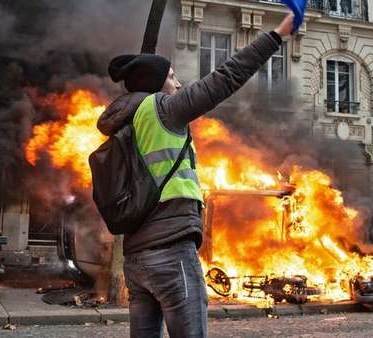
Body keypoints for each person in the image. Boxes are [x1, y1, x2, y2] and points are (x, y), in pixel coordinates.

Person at [97, 13, 295, 338]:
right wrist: (276, 35)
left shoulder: (125, 121)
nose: (177, 84)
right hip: (172, 252)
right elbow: (226, 78)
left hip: (137, 259)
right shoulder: (163, 109)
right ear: (156, 84)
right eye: (172, 77)